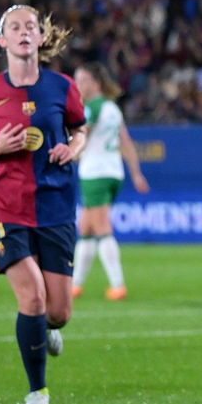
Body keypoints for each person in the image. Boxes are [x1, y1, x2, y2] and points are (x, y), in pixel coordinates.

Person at [0, 5, 87, 404]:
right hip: (5, 208)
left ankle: (46, 330)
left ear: (39, 37)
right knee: (31, 298)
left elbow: (80, 129)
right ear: (2, 41)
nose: (22, 33)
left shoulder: (63, 87)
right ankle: (38, 391)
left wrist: (73, 147)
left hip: (55, 206)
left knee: (58, 312)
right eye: (14, 28)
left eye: (29, 27)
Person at [71, 61, 150, 301]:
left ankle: (118, 285)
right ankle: (75, 285)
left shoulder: (92, 106)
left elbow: (83, 135)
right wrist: (136, 173)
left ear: (95, 83)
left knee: (101, 227)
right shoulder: (112, 108)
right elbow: (126, 142)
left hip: (96, 172)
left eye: (83, 81)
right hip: (113, 172)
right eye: (77, 80)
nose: (78, 86)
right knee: (85, 227)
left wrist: (67, 154)